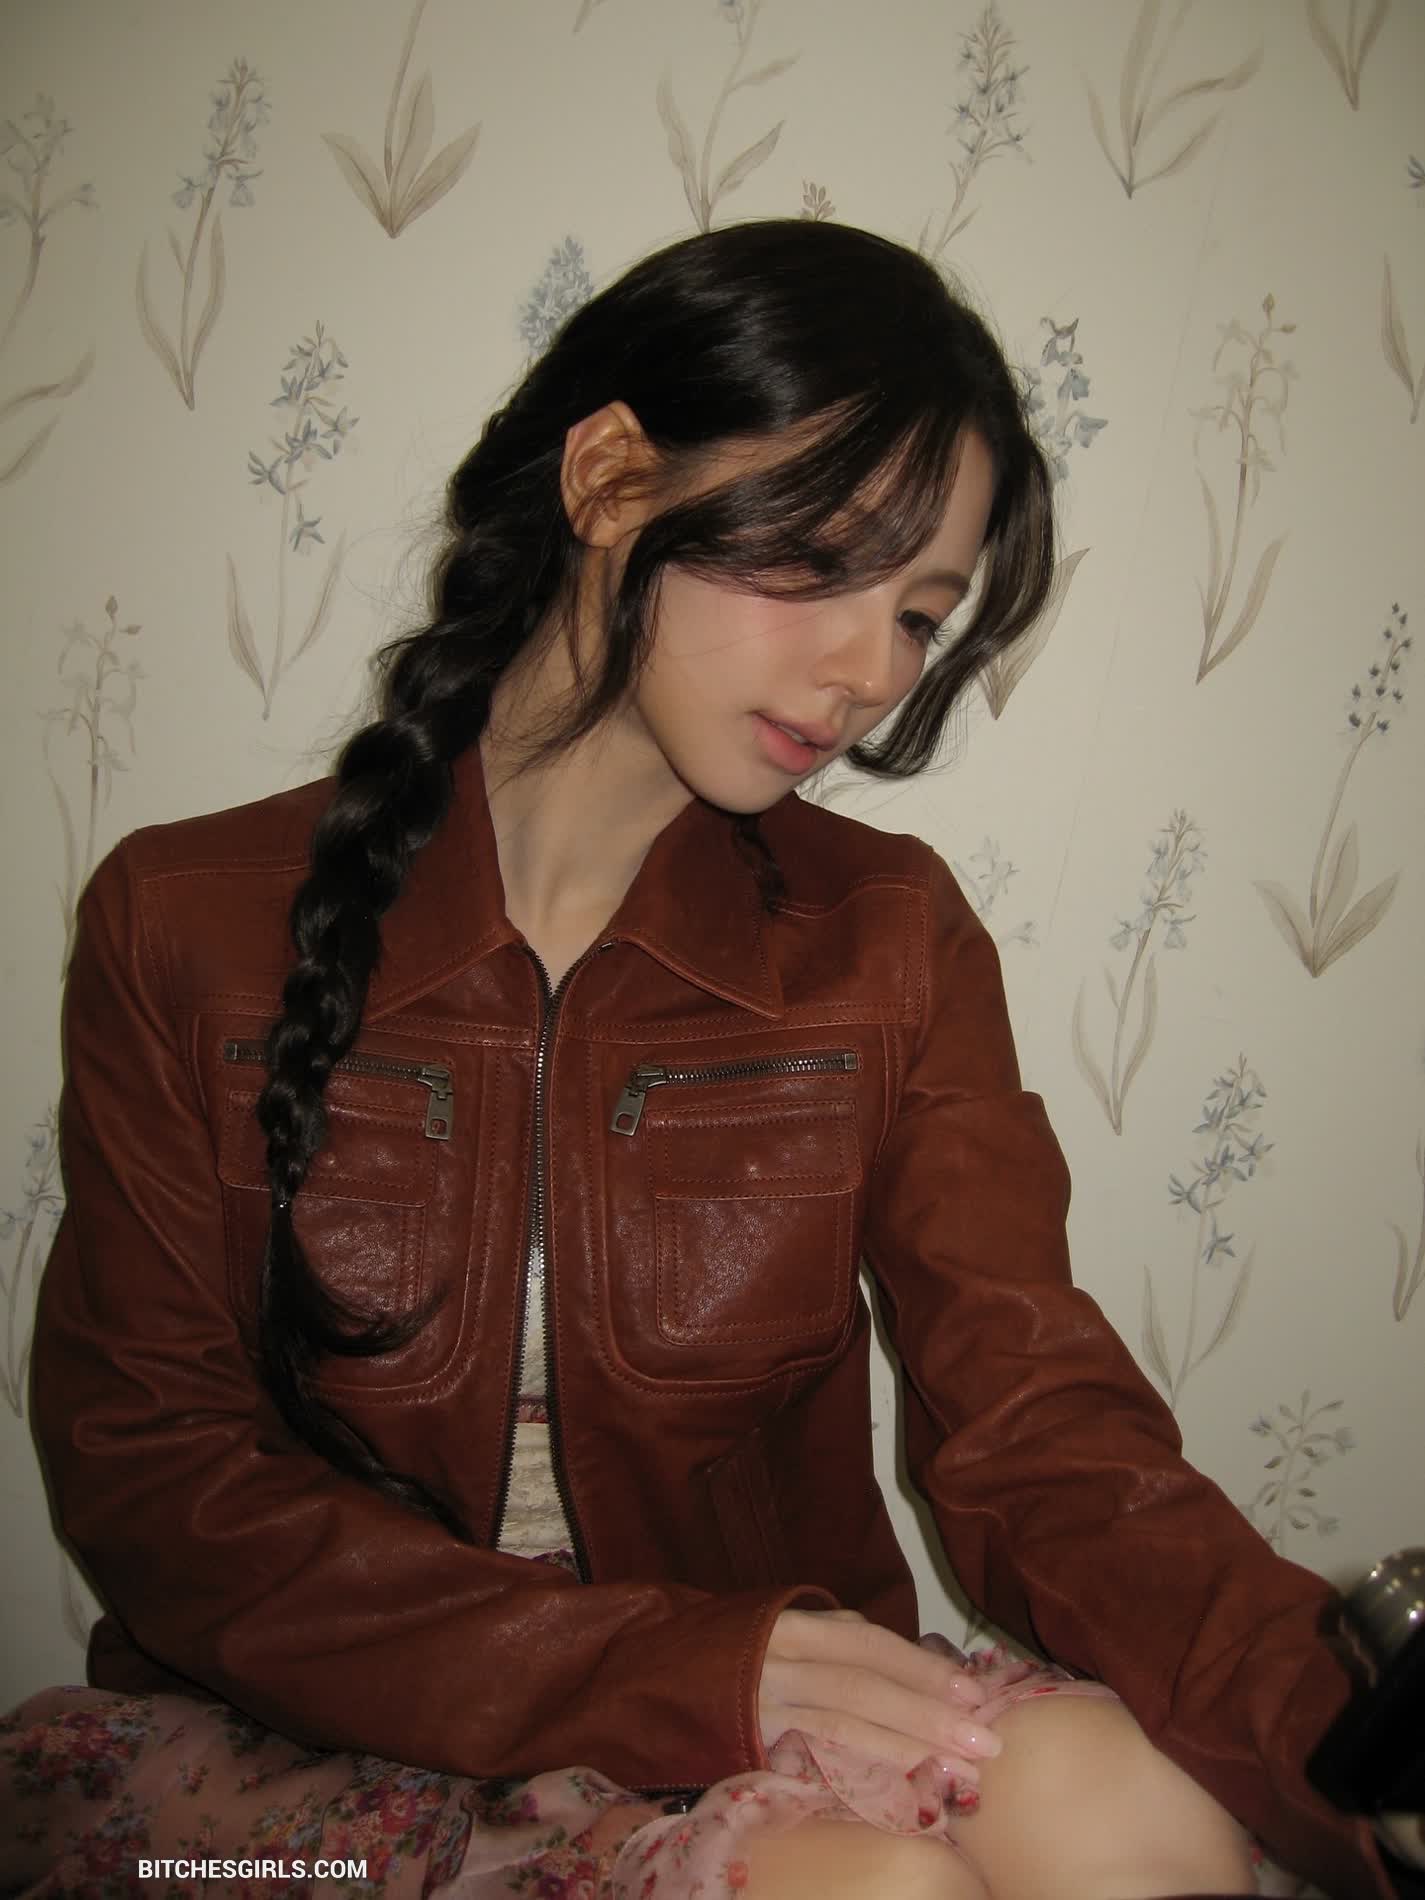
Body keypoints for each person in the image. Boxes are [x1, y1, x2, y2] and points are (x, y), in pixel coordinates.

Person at [0, 218, 1409, 1900]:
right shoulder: (188, 918)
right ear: (608, 479)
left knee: (1125, 1818)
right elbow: (158, 1478)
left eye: (920, 614)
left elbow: (1039, 1432)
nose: (869, 673)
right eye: (821, 565)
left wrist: (1360, 1753)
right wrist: (666, 1669)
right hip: (319, 1739)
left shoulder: (886, 936)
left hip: (755, 1699)